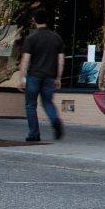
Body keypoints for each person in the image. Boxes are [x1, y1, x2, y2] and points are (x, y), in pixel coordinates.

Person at [17, 9, 65, 142]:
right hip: (49, 77)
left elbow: (25, 60)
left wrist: (21, 78)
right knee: (48, 102)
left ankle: (34, 134)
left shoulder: (31, 38)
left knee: (30, 105)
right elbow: (61, 60)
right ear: (47, 20)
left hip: (34, 76)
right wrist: (58, 78)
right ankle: (55, 121)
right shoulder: (56, 38)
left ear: (34, 20)